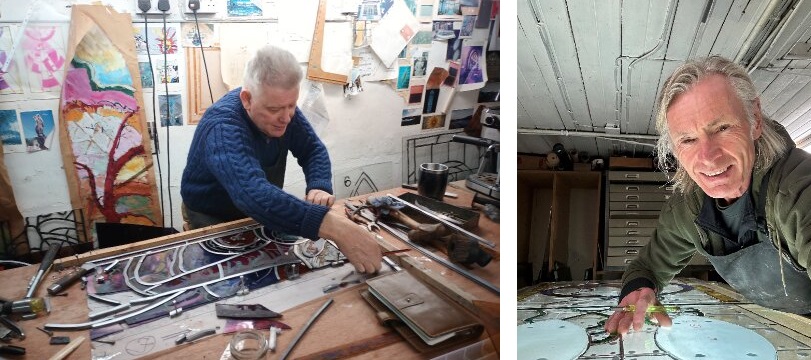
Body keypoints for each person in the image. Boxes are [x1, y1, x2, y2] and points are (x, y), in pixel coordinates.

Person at [604, 56, 811, 335]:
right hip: (764, 325)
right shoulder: (689, 206)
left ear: (755, 120)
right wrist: (639, 288)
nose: (708, 158)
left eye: (722, 128)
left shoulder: (798, 188)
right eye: (688, 140)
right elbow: (648, 266)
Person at [180, 45, 382, 273]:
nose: (286, 118)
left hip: (259, 210)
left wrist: (319, 185)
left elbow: (313, 149)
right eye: (275, 109)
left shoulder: (283, 110)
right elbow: (253, 193)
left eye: (291, 106)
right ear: (247, 99)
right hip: (212, 216)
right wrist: (337, 228)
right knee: (229, 281)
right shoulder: (222, 126)